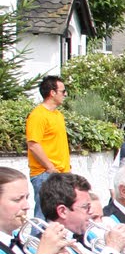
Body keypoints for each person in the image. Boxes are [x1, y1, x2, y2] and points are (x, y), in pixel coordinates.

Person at [26, 76, 70, 208]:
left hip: (60, 173)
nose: (65, 94)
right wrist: (50, 168)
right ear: (52, 93)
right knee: (43, 216)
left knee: (58, 216)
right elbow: (33, 144)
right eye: (63, 91)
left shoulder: (58, 115)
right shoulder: (38, 115)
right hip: (44, 174)